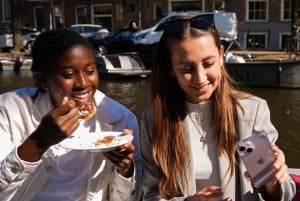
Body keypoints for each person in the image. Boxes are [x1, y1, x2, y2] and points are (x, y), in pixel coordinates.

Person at [140, 14, 296, 201]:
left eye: (208, 63)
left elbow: (284, 195)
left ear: (221, 56)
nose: (200, 78)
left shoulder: (252, 112)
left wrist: (273, 178)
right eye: (186, 69)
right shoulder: (153, 121)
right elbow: (149, 195)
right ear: (171, 68)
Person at [0, 29, 141, 201]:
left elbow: (130, 198)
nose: (83, 84)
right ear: (43, 80)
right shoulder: (8, 110)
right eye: (69, 75)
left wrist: (125, 171)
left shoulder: (121, 120)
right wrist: (39, 141)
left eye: (89, 71)